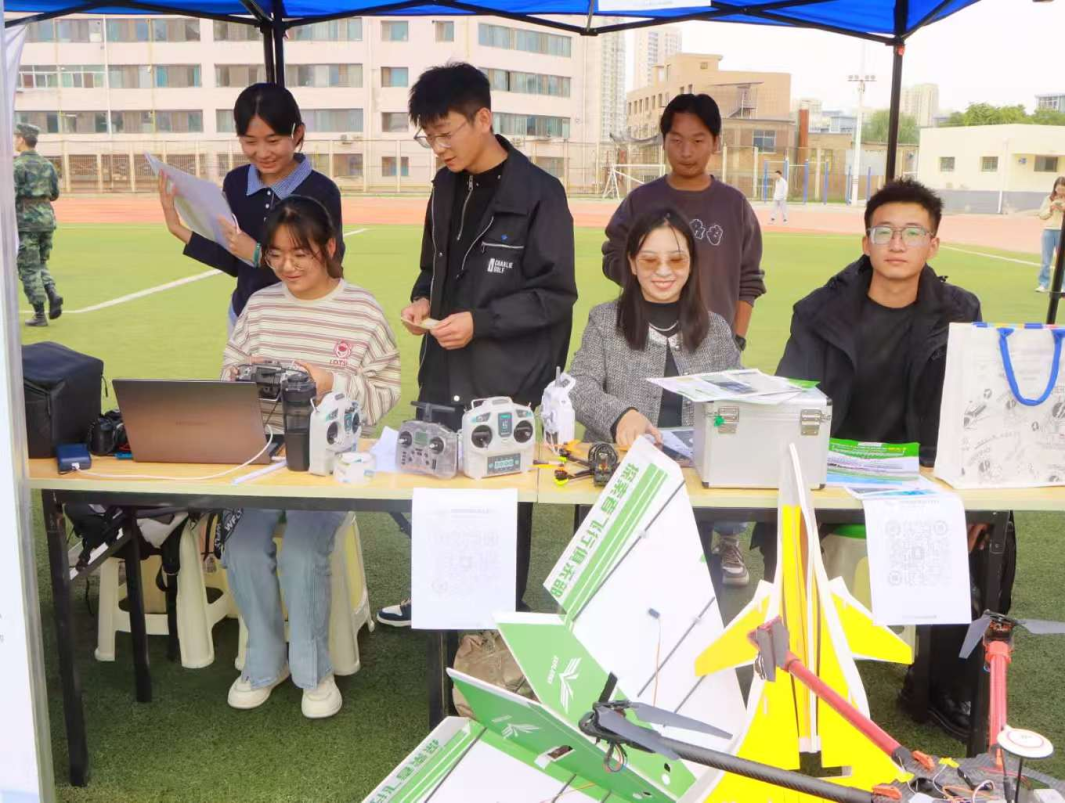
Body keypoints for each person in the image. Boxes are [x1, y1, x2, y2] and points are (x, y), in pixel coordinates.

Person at [766, 178, 998, 740]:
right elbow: (792, 399)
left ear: (933, 244)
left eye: (913, 232)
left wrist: (973, 504)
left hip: (922, 474)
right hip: (834, 475)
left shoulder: (962, 312)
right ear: (865, 241)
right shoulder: (819, 310)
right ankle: (796, 667)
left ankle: (940, 682)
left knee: (991, 530)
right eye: (885, 231)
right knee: (787, 526)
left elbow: (977, 407)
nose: (897, 243)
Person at [376, 62, 577, 627]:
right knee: (434, 489)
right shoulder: (445, 186)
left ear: (483, 118)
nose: (438, 148)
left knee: (502, 505)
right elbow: (430, 268)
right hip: (442, 370)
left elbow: (556, 296)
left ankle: (500, 620)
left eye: (446, 134)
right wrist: (422, 302)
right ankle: (436, 597)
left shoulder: (540, 194)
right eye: (429, 137)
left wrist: (480, 323)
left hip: (507, 381)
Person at [220, 196, 400, 717]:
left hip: (331, 459)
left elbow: (385, 390)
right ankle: (264, 662)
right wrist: (246, 375)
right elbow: (227, 374)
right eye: (276, 255)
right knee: (242, 547)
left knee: (302, 550)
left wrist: (329, 382)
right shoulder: (260, 306)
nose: (287, 266)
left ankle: (314, 670)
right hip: (262, 454)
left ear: (329, 248)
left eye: (300, 254)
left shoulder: (361, 310)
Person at [601, 93, 763, 586]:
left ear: (715, 143)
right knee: (656, 437)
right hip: (647, 341)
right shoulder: (642, 200)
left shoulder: (733, 205)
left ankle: (727, 537)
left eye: (697, 140)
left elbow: (749, 279)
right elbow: (612, 255)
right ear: (664, 142)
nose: (686, 150)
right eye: (676, 140)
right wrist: (652, 287)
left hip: (712, 345)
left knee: (720, 439)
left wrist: (735, 337)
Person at [570, 207, 744, 585]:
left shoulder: (716, 330)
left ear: (692, 263)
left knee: (684, 596)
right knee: (610, 595)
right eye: (650, 260)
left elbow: (737, 403)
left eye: (676, 260)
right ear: (632, 263)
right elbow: (578, 386)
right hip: (616, 488)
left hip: (690, 493)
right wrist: (620, 416)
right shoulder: (604, 321)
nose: (663, 271)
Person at [159, 83, 343, 332]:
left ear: (297, 134)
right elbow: (233, 262)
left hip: (300, 324)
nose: (262, 153)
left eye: (273, 140)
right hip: (244, 319)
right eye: (250, 141)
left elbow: (330, 268)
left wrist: (258, 255)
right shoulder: (235, 183)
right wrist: (177, 227)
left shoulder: (322, 191)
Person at [14, 122, 63, 327]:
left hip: (27, 221)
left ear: (22, 139)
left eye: (16, 137)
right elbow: (55, 194)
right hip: (46, 219)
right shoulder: (47, 164)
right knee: (41, 262)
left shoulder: (17, 166)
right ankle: (52, 292)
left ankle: (39, 314)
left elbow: (10, 195)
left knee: (28, 268)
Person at [1035, 176, 1065, 293]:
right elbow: (1042, 215)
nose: (1060, 191)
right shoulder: (1048, 199)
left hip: (1062, 232)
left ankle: (1063, 286)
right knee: (1046, 259)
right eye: (1058, 189)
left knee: (1062, 260)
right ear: (1055, 187)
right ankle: (1043, 284)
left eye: (1063, 189)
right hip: (1048, 230)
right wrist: (1050, 209)